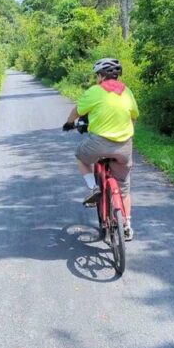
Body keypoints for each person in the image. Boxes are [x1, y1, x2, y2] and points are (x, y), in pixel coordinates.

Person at [62, 58, 139, 241]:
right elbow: (134, 116)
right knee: (124, 188)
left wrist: (69, 123)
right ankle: (127, 225)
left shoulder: (95, 91)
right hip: (124, 146)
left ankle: (93, 187)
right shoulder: (127, 92)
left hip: (99, 143)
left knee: (80, 157)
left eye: (97, 75)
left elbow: (77, 111)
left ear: (101, 76)